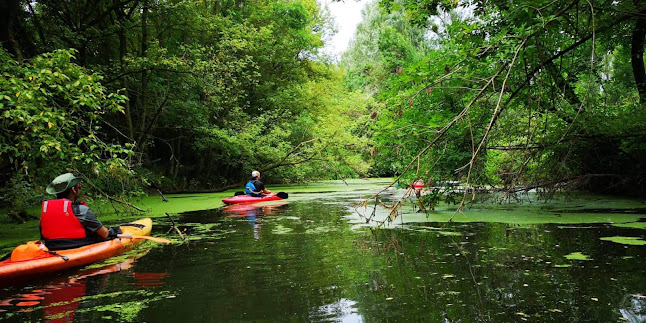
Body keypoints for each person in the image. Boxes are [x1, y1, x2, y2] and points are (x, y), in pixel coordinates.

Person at [40, 173, 122, 250]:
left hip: (53, 248)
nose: (79, 188)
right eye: (78, 186)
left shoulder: (45, 211)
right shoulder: (82, 211)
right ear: (73, 190)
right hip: (78, 246)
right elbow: (104, 234)